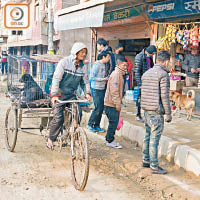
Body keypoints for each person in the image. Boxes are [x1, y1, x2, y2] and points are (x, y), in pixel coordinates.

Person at [46, 42, 91, 150]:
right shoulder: (64, 62)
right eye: (82, 52)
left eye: (85, 53)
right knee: (58, 118)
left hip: (71, 95)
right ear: (75, 52)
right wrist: (54, 95)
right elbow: (56, 79)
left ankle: (73, 137)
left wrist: (88, 93)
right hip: (59, 95)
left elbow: (84, 82)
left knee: (78, 114)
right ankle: (50, 139)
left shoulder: (83, 67)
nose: (83, 54)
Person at [141, 50, 172, 174]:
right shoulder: (163, 75)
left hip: (146, 110)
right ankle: (154, 165)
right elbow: (164, 96)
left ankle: (146, 160)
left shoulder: (146, 73)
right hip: (156, 111)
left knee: (147, 136)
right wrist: (168, 113)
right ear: (166, 62)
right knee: (154, 139)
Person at [104, 55, 128, 149]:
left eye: (126, 66)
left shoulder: (119, 74)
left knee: (113, 122)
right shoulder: (116, 75)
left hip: (112, 103)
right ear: (118, 64)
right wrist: (118, 104)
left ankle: (108, 139)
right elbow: (114, 91)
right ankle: (109, 140)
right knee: (113, 122)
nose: (125, 68)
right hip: (111, 103)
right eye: (124, 65)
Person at [88, 51, 110, 132]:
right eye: (108, 57)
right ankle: (90, 124)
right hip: (96, 88)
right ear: (103, 57)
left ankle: (97, 125)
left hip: (102, 88)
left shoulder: (104, 65)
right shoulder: (97, 65)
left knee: (101, 108)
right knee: (97, 107)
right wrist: (102, 79)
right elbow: (91, 77)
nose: (109, 59)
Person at [135, 45, 157, 122]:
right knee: (140, 98)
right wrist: (140, 84)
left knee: (148, 99)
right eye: (153, 54)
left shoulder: (149, 57)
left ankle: (148, 115)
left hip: (149, 81)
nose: (153, 55)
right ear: (149, 52)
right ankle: (138, 115)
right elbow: (137, 71)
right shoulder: (139, 57)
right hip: (142, 81)